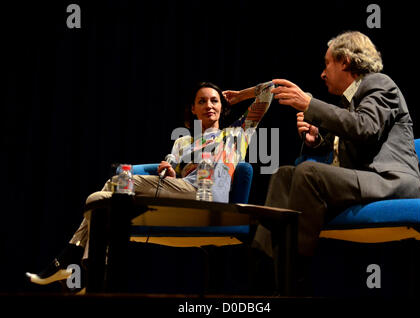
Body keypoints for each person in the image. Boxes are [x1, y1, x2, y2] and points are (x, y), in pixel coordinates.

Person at [26, 80, 274, 287]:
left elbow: (269, 90)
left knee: (116, 183)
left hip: (208, 197)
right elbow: (171, 173)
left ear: (223, 106)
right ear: (193, 109)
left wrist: (241, 95)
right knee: (98, 200)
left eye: (214, 100)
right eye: (202, 101)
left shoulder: (236, 134)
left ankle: (71, 257)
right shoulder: (182, 143)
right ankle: (88, 268)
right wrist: (168, 169)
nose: (209, 105)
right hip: (183, 194)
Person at [265, 31, 420, 286]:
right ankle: (265, 264)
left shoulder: (380, 84)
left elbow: (367, 128)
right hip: (366, 177)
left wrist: (309, 104)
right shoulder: (348, 101)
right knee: (284, 174)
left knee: (309, 173)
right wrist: (318, 140)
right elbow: (350, 141)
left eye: (327, 63)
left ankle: (297, 276)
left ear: (345, 61)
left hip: (390, 180)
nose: (323, 73)